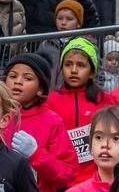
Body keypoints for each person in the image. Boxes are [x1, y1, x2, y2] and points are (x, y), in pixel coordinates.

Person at [2, 52, 78, 192]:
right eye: (13, 76)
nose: (18, 82)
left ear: (40, 89)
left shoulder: (51, 121)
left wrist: (36, 154)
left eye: (28, 78)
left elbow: (67, 174)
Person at [48, 37, 114, 184]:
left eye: (81, 65)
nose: (73, 70)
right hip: (62, 180)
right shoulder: (51, 100)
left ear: (92, 72)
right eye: (68, 64)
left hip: (97, 179)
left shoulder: (105, 99)